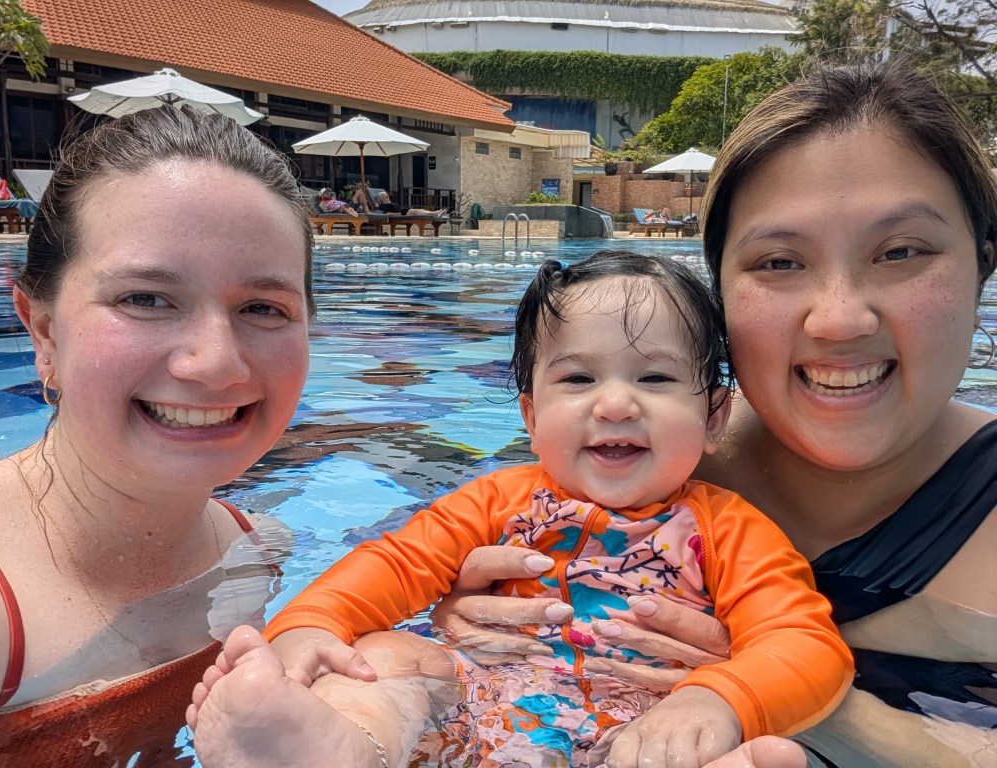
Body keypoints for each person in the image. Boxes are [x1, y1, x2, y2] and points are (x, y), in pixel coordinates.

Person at [427, 60, 997, 767]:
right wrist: (469, 625)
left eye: (901, 252)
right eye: (779, 262)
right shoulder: (627, 458)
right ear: (719, 296)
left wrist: (775, 693)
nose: (840, 319)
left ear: (982, 267)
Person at [189, 251, 852, 767]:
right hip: (481, 703)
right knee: (386, 655)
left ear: (713, 417)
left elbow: (804, 644)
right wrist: (307, 630)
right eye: (578, 378)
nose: (615, 404)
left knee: (734, 750)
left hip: (647, 731)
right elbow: (391, 566)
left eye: (655, 377)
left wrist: (717, 700)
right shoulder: (496, 501)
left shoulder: (729, 529)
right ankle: (347, 746)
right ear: (532, 418)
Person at [0, 105, 314, 764]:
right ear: (43, 331)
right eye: (145, 299)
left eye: (262, 308)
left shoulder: (258, 555)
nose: (216, 364)